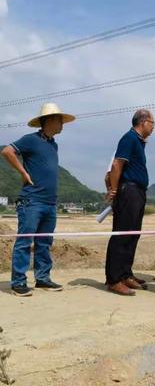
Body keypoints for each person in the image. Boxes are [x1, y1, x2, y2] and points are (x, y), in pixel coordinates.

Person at [1, 103, 76, 297]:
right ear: (49, 120)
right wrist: (23, 172)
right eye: (59, 120)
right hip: (31, 200)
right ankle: (18, 282)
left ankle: (42, 278)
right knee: (25, 242)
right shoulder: (30, 140)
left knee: (44, 242)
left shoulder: (53, 144)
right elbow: (8, 151)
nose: (62, 124)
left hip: (50, 202)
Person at [105, 109, 155, 295]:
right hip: (129, 190)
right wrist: (114, 190)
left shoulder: (139, 142)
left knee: (133, 234)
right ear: (143, 122)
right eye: (152, 123)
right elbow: (117, 164)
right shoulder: (129, 138)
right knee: (123, 234)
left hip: (138, 191)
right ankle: (114, 279)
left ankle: (126, 274)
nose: (153, 127)